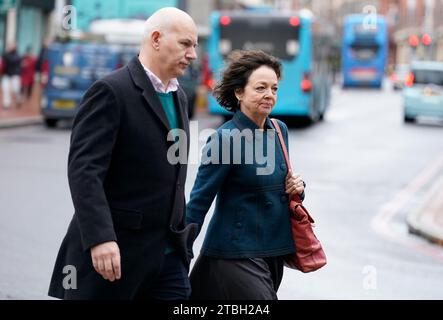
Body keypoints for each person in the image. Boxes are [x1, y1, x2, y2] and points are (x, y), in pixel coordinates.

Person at [48, 7, 198, 300]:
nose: (192, 54)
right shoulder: (110, 91)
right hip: (114, 256)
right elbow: (84, 171)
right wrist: (100, 238)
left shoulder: (179, 96)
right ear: (156, 39)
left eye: (194, 45)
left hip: (168, 258)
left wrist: (182, 242)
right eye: (185, 44)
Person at [186, 50, 306, 300]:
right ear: (239, 92)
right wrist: (177, 250)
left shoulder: (279, 130)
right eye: (260, 87)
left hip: (274, 251)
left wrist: (298, 187)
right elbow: (199, 201)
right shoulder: (224, 139)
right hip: (235, 253)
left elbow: (279, 188)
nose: (269, 95)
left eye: (274, 88)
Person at [1, 43, 22, 108]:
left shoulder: (17, 55)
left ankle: (18, 99)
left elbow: (13, 60)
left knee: (16, 90)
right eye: (9, 46)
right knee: (5, 89)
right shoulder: (5, 54)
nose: (10, 47)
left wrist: (5, 56)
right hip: (6, 75)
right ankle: (6, 104)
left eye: (12, 46)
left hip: (15, 75)